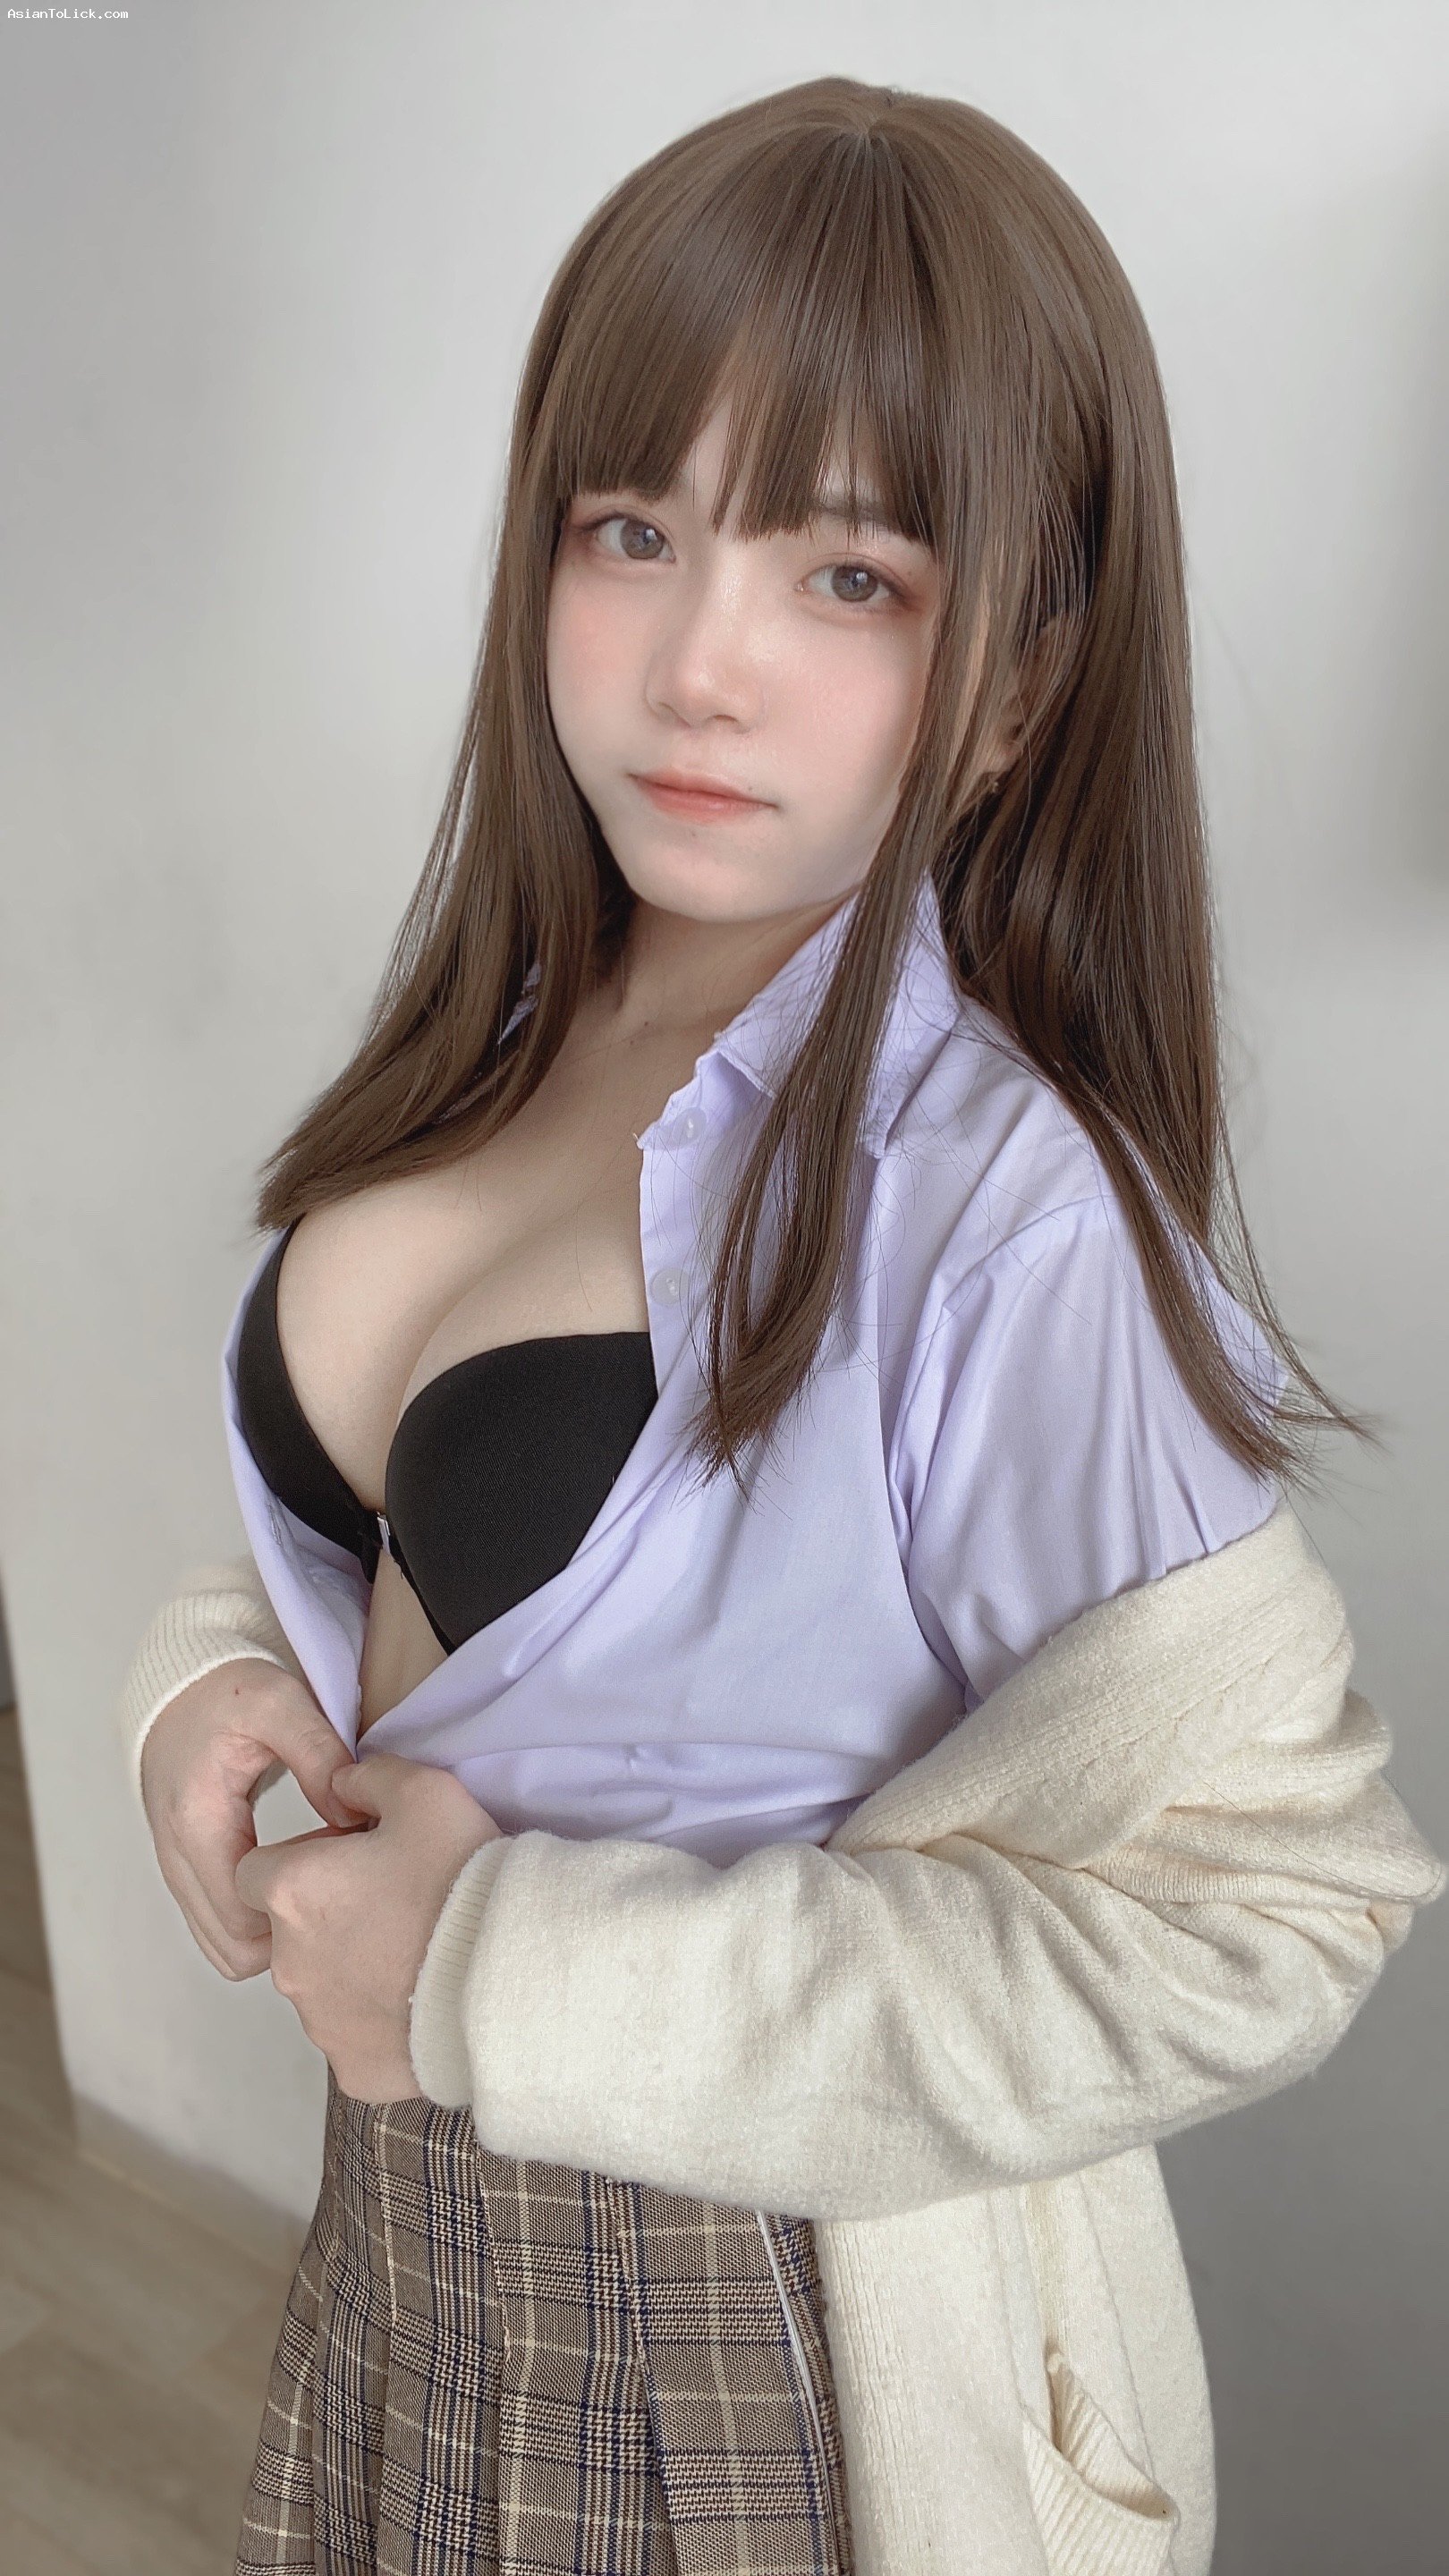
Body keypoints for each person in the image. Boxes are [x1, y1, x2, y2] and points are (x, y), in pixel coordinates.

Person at [118, 74, 1445, 2576]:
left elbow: (1270, 1914)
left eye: (847, 573)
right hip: (403, 2261)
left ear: (1021, 680)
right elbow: (451, 1565)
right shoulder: (513, 1035)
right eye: (632, 530)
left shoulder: (1006, 1213)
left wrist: (505, 1971)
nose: (695, 665)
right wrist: (211, 1682)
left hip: (736, 2355)